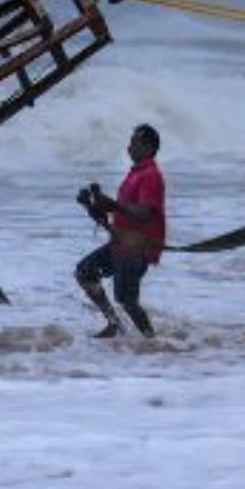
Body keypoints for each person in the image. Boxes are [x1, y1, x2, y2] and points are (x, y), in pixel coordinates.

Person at [74, 124, 165, 338]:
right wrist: (90, 205)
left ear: (148, 147)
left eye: (134, 142)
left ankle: (152, 340)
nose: (129, 147)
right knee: (85, 272)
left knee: (127, 299)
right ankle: (114, 324)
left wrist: (113, 204)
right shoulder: (135, 174)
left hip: (138, 247)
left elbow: (143, 213)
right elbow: (115, 216)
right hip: (121, 244)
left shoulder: (151, 175)